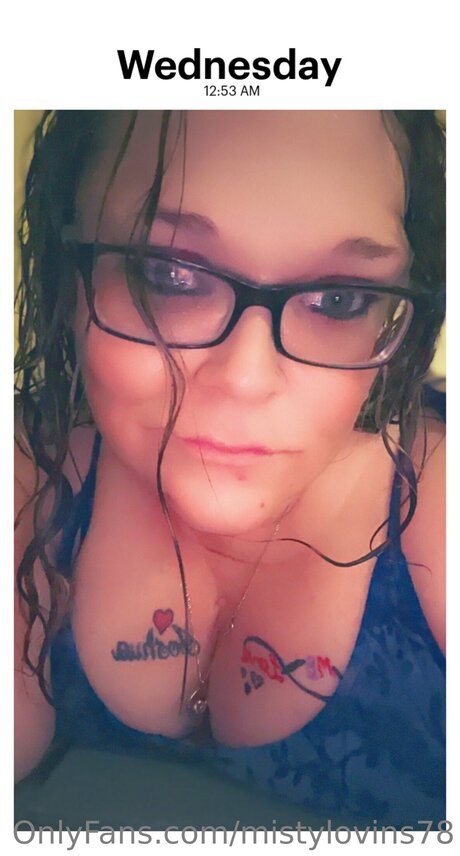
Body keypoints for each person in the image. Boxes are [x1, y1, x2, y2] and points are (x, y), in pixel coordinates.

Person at [14, 110, 446, 826]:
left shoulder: (437, 499)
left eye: (339, 300)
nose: (247, 378)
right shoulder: (36, 468)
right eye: (169, 274)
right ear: (66, 276)